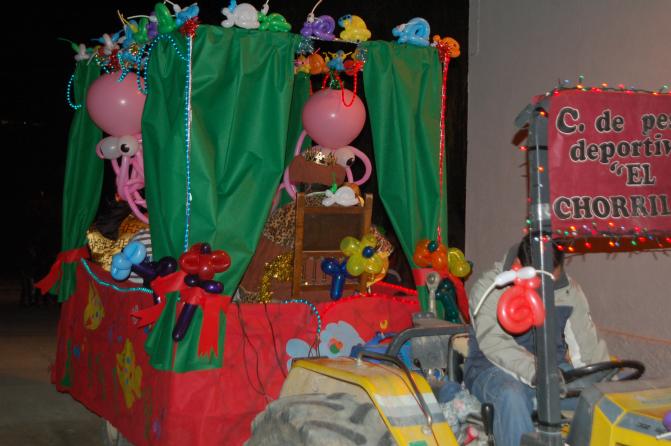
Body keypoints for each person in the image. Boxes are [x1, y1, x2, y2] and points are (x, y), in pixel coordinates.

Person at [463, 236, 610, 446]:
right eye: (542, 281)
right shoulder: (491, 288)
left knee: (602, 398)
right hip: (490, 369)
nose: (548, 289)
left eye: (554, 280)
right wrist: (539, 373)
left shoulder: (568, 290)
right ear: (521, 267)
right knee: (511, 396)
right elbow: (494, 344)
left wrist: (605, 380)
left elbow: (587, 346)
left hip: (553, 371)